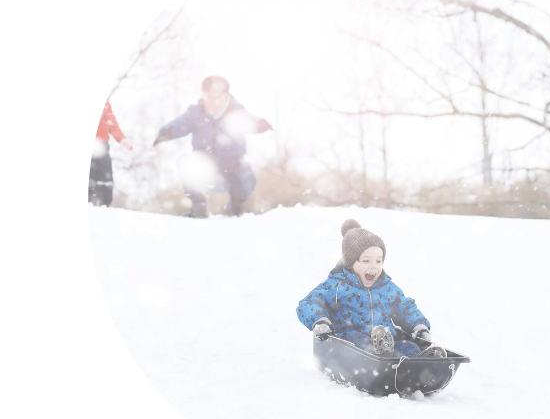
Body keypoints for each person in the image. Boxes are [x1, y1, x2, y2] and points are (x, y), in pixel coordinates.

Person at [296, 219, 446, 358]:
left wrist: (419, 326)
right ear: (351, 263)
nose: (374, 266)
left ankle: (419, 363)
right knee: (358, 341)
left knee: (409, 346)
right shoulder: (336, 286)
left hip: (388, 341)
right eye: (366, 261)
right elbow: (307, 304)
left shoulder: (387, 287)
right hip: (350, 343)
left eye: (378, 261)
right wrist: (320, 321)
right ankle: (382, 357)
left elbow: (405, 307)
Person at [152, 76, 272, 218]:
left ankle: (235, 206)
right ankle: (198, 207)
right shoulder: (196, 113)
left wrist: (260, 124)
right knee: (185, 161)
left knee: (244, 171)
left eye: (216, 98)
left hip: (232, 166)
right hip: (206, 166)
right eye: (207, 97)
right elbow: (180, 124)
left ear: (225, 96)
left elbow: (249, 120)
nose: (211, 102)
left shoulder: (235, 112)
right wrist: (166, 132)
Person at [90, 100, 133, 206]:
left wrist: (122, 139)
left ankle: (105, 203)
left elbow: (111, 123)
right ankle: (89, 201)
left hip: (102, 145)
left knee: (105, 175)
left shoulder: (104, 102)